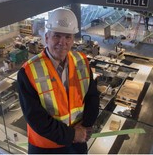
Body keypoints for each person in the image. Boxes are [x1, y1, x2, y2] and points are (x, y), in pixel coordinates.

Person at [17, 8, 100, 154]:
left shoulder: (81, 61)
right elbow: (36, 118)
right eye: (57, 36)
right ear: (47, 37)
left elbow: (92, 97)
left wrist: (85, 127)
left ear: (73, 39)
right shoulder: (28, 72)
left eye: (68, 37)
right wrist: (72, 134)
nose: (62, 42)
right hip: (46, 146)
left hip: (77, 143)